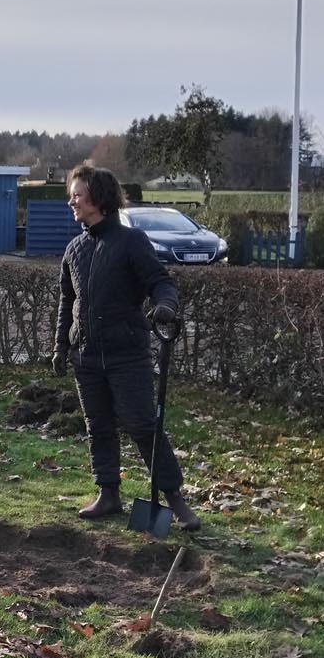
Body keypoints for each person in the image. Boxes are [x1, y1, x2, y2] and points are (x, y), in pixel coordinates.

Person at [53, 164, 200, 530]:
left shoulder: (131, 241)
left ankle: (175, 501)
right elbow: (66, 302)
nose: (71, 200)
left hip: (126, 354)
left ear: (98, 198)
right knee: (97, 425)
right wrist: (60, 347)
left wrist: (165, 306)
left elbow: (161, 282)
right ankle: (108, 494)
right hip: (85, 355)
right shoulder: (74, 249)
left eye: (77, 194)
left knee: (142, 424)